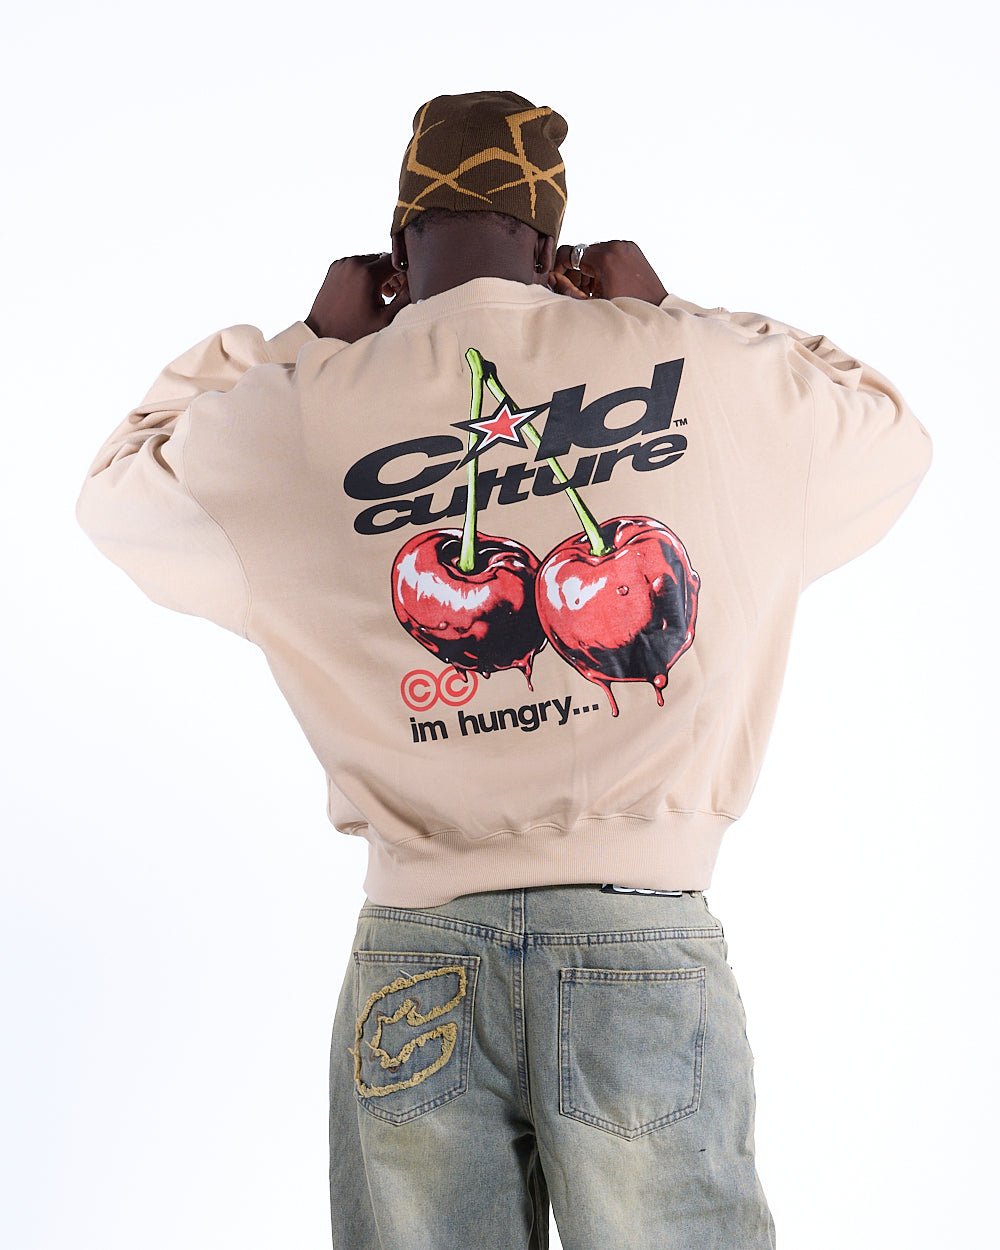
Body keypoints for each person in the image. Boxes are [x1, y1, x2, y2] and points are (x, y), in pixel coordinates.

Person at [75, 90, 933, 1250]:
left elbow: (118, 491)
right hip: (641, 938)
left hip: (415, 948)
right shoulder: (699, 366)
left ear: (395, 256)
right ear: (549, 248)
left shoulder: (295, 408)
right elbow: (885, 427)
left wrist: (301, 342)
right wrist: (666, 310)